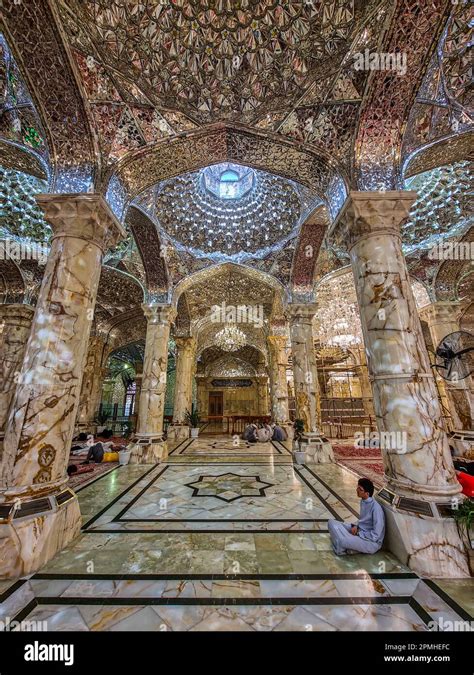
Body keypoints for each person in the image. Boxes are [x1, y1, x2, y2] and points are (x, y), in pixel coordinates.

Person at [328, 477, 385, 556]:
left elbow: (376, 535)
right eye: (357, 487)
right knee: (331, 522)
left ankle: (344, 544)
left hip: (371, 542)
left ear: (367, 493)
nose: (357, 490)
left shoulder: (376, 508)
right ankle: (348, 547)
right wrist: (356, 526)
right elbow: (363, 520)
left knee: (342, 541)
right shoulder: (363, 501)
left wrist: (359, 533)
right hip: (360, 531)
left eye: (360, 489)